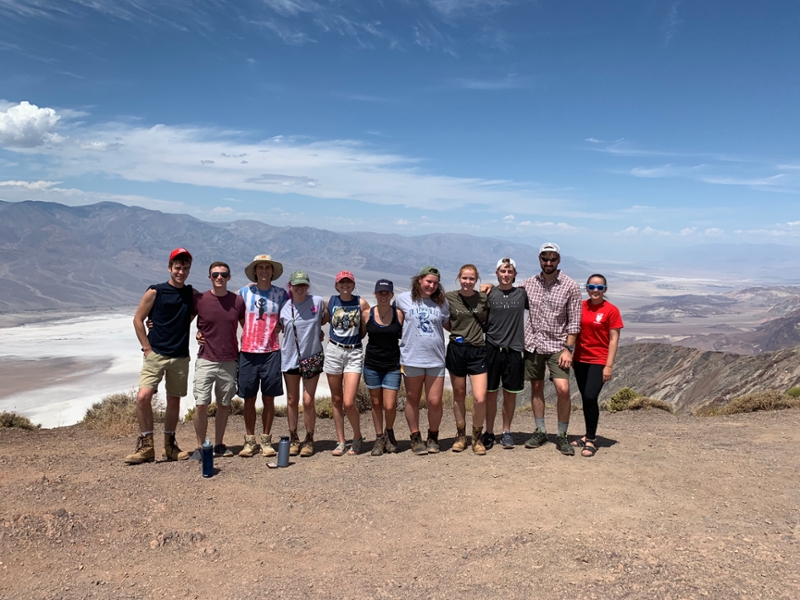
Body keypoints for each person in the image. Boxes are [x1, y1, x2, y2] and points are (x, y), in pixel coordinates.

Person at [126, 248, 196, 464]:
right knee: (143, 397)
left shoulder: (191, 294)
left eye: (185, 268)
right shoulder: (155, 291)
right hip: (155, 353)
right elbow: (138, 319)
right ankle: (147, 445)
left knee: (173, 400)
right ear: (169, 268)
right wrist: (147, 348)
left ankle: (169, 446)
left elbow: (194, 313)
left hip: (180, 355)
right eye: (177, 267)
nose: (181, 272)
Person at [519, 242, 582, 456]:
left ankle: (562, 434)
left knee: (563, 390)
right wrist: (488, 286)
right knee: (536, 388)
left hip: (558, 346)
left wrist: (568, 349)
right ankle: (540, 431)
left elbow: (574, 321)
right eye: (544, 258)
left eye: (552, 259)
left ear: (559, 260)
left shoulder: (570, 286)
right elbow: (507, 293)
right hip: (534, 344)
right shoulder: (528, 284)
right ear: (539, 259)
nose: (548, 262)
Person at [178, 262, 245, 460]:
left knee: (224, 404)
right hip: (206, 358)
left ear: (229, 277)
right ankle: (200, 446)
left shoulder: (237, 301)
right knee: (201, 403)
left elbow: (247, 327)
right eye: (215, 274)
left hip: (229, 359)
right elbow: (182, 322)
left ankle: (219, 444)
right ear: (209, 277)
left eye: (223, 274)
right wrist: (153, 323)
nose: (219, 277)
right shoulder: (199, 300)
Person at [395, 266, 450, 455]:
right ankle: (415, 436)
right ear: (419, 280)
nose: (432, 286)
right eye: (428, 281)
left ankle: (433, 436)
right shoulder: (403, 299)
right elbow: (391, 318)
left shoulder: (442, 303)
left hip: (435, 358)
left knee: (434, 401)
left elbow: (451, 324)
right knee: (412, 398)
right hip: (412, 357)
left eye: (435, 283)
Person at [236, 254, 288, 458]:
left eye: (268, 267)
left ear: (272, 271)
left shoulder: (281, 294)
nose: (264, 270)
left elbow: (293, 311)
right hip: (248, 352)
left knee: (268, 397)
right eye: (260, 267)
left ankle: (266, 440)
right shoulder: (243, 292)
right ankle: (250, 441)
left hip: (271, 351)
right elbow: (229, 309)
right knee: (248, 398)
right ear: (255, 271)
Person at [571, 274, 624, 457]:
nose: (595, 290)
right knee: (586, 399)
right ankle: (588, 434)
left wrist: (609, 366)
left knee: (590, 396)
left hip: (599, 360)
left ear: (605, 290)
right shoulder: (580, 307)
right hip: (579, 359)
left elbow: (614, 339)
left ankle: (591, 440)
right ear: (586, 288)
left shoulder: (611, 310)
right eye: (592, 287)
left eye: (600, 288)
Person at [280, 270, 329, 457]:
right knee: (292, 400)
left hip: (312, 357)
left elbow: (325, 317)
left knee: (308, 401)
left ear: (308, 286)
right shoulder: (284, 307)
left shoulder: (316, 302)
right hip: (290, 357)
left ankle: (309, 438)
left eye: (303, 285)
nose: (300, 288)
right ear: (290, 286)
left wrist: (319, 332)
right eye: (296, 285)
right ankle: (293, 437)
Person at [483, 257, 528, 451]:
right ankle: (489, 432)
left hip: (514, 350)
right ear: (497, 274)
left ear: (515, 274)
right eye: (503, 271)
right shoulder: (489, 293)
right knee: (490, 394)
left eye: (510, 272)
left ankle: (506, 431)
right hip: (492, 349)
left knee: (510, 394)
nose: (506, 275)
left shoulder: (522, 294)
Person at [444, 265, 489, 455]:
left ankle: (477, 437)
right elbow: (446, 321)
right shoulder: (449, 298)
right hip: (457, 349)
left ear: (476, 280)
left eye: (471, 279)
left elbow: (485, 319)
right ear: (459, 278)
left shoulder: (483, 298)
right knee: (459, 395)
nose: (467, 282)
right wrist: (458, 335)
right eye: (464, 278)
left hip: (478, 350)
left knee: (480, 398)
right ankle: (461, 435)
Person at [325, 271, 370, 456]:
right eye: (341, 282)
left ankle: (357, 437)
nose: (345, 285)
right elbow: (321, 320)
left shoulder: (361, 303)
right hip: (334, 351)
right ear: (336, 285)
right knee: (336, 400)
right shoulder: (330, 302)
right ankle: (341, 441)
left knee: (348, 401)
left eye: (348, 282)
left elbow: (365, 329)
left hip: (354, 352)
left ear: (353, 284)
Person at [361, 279, 404, 457]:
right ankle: (379, 438)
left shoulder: (399, 314)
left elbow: (405, 335)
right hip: (372, 364)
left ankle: (389, 432)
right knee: (376, 403)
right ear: (375, 294)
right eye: (380, 293)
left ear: (392, 295)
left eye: (387, 293)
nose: (383, 296)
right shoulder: (367, 314)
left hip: (392, 365)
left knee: (390, 404)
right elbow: (359, 335)